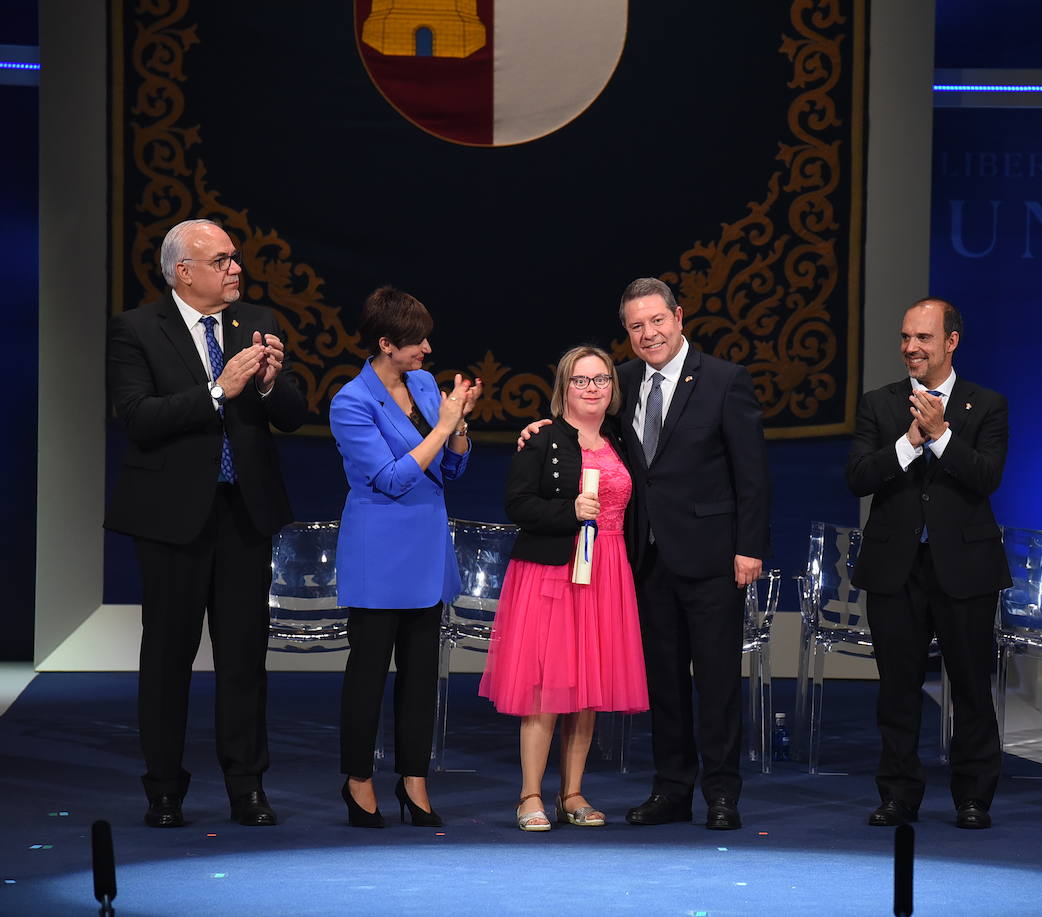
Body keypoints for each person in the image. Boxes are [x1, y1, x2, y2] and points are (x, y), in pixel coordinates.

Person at [519, 277, 771, 830]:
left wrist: (749, 548)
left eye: (657, 321)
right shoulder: (621, 382)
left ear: (678, 317)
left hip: (712, 557)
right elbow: (582, 430)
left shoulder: (726, 380)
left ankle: (722, 793)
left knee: (718, 680)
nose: (648, 333)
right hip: (643, 561)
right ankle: (672, 789)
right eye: (636, 326)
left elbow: (752, 474)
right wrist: (544, 429)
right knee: (664, 682)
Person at [106, 218, 307, 827]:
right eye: (221, 260)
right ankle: (164, 789)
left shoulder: (258, 324)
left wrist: (270, 385)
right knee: (167, 658)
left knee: (244, 658)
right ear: (182, 272)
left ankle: (247, 786)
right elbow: (138, 417)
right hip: (171, 518)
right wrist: (220, 390)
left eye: (235, 258)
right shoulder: (136, 329)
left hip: (243, 514)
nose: (235, 269)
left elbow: (294, 414)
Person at [845, 298, 1010, 830]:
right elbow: (859, 477)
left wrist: (941, 435)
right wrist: (911, 443)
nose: (911, 348)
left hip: (964, 567)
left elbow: (986, 476)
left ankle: (973, 797)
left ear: (951, 342)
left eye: (923, 339)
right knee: (896, 688)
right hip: (896, 568)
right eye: (905, 338)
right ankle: (897, 794)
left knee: (968, 687)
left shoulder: (987, 404)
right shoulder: (879, 404)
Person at [479, 345, 649, 831]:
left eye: (600, 380)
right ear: (564, 389)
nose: (592, 388)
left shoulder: (621, 438)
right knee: (545, 687)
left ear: (613, 388)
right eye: (581, 380)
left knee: (588, 688)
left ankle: (572, 792)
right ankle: (529, 794)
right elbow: (518, 504)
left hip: (609, 569)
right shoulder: (544, 439)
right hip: (555, 571)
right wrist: (568, 513)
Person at [330, 286, 480, 828]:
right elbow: (390, 480)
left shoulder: (422, 385)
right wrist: (442, 426)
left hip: (425, 548)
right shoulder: (350, 401)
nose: (427, 352)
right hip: (379, 552)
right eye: (416, 343)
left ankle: (413, 777)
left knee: (420, 675)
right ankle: (358, 780)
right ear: (385, 343)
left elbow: (451, 472)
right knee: (368, 674)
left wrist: (459, 424)